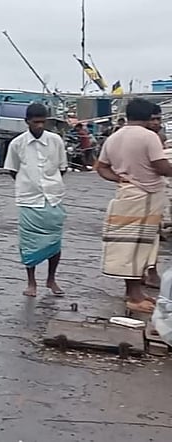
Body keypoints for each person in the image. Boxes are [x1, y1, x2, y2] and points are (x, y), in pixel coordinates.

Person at [95, 98, 172, 312]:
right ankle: (135, 296)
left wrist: (119, 178)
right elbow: (160, 166)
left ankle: (133, 291)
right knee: (138, 247)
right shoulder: (149, 137)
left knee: (127, 245)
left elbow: (101, 167)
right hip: (145, 196)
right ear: (147, 116)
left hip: (126, 194)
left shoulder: (114, 137)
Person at [3, 103, 68, 297]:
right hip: (28, 200)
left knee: (54, 241)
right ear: (27, 122)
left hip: (53, 198)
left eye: (43, 122)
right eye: (35, 122)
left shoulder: (56, 141)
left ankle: (51, 279)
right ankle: (31, 282)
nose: (40, 126)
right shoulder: (17, 143)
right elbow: (12, 170)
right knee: (29, 243)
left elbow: (62, 167)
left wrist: (50, 185)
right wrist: (30, 185)